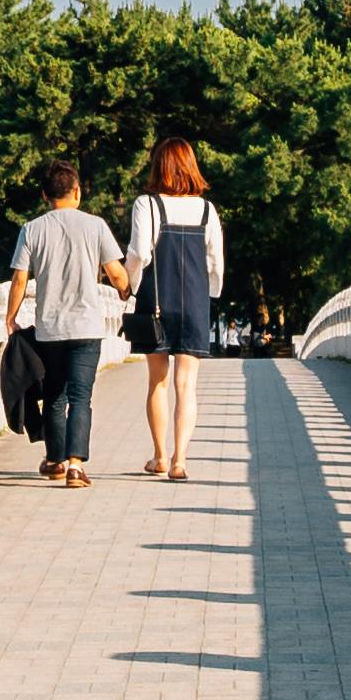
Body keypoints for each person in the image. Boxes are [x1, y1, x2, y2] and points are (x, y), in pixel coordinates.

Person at [7, 162, 121, 486]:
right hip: (87, 328)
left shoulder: (31, 229)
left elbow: (19, 279)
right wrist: (126, 289)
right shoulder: (96, 226)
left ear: (45, 195)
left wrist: (10, 318)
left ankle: (55, 460)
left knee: (55, 395)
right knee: (80, 397)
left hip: (50, 329)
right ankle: (75, 466)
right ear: (77, 192)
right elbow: (115, 272)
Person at [119, 139, 221, 480]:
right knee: (186, 384)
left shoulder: (145, 204)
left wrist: (129, 286)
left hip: (157, 302)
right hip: (193, 301)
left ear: (158, 166)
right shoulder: (207, 210)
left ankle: (159, 456)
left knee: (157, 382)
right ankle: (181, 460)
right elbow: (215, 263)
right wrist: (212, 294)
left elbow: (139, 254)